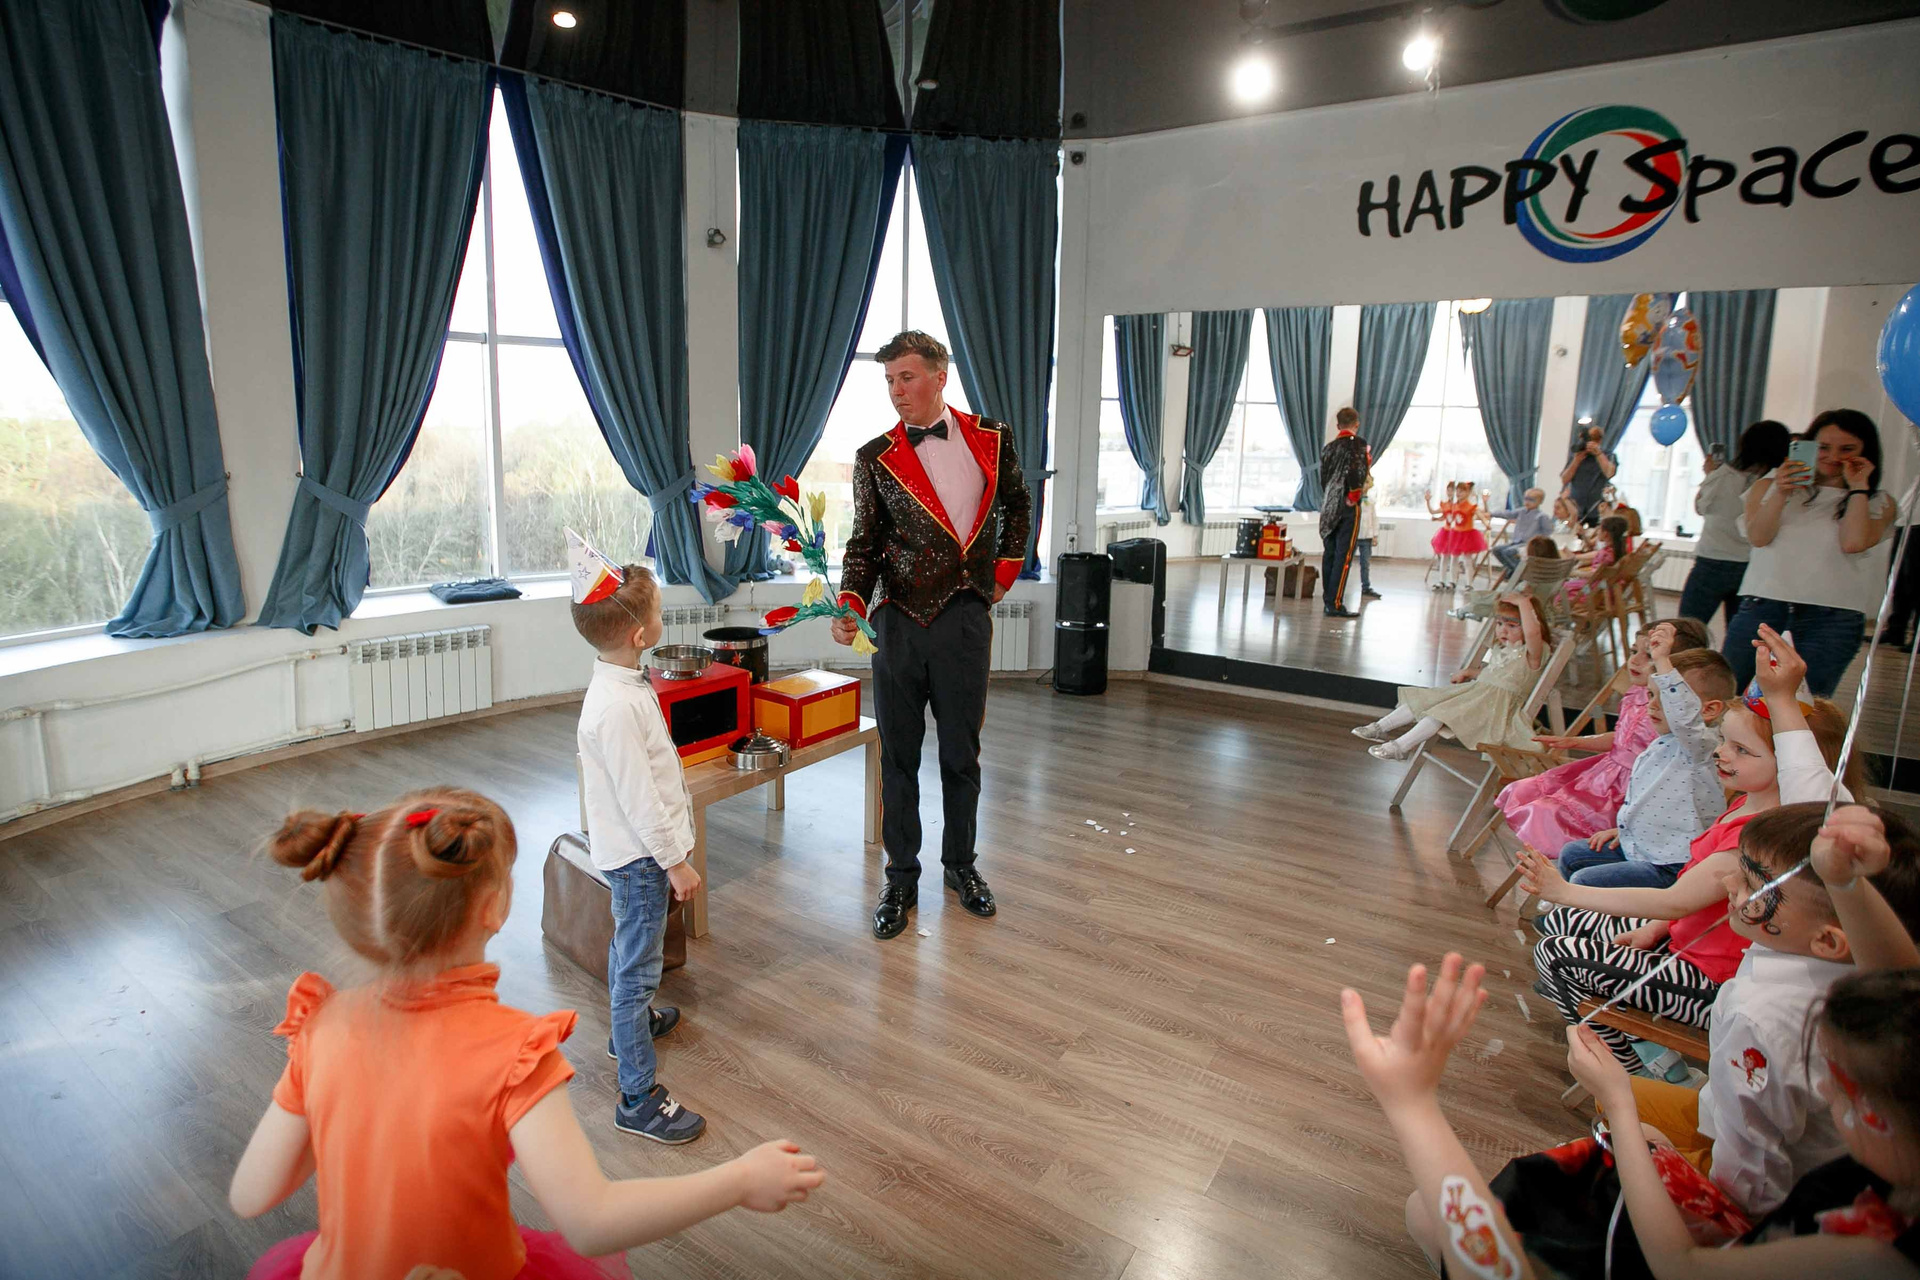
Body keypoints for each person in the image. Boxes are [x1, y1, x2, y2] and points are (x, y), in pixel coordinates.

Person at [230, 789, 825, 1280]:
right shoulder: (512, 1051)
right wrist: (739, 1180)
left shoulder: (321, 1025)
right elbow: (591, 1221)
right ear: (494, 908)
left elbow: (251, 1194)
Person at [1521, 627, 1860, 1076]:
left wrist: (1563, 890)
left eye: (1741, 750)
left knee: (1557, 954)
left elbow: (1676, 900)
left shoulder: (1762, 834)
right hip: (1683, 944)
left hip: (1709, 977)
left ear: (1791, 767)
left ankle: (1644, 1074)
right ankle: (1624, 1031)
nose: (1721, 753)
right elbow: (1682, 904)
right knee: (1562, 924)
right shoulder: (1745, 803)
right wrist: (1654, 929)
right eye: (1726, 742)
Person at [1569, 801, 1920, 1225]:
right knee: (1610, 1100)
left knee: (1598, 1143)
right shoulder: (1851, 963)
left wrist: (1659, 1153)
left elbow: (1749, 1182)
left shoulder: (1761, 1019)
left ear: (1827, 941)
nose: (1728, 881)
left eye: (1753, 883)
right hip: (1735, 1122)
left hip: (1753, 1193)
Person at [832, 331, 1031, 940]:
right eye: (889, 381)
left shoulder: (992, 438)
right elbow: (863, 544)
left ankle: (961, 865)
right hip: (896, 622)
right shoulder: (875, 457)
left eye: (907, 377)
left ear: (940, 377)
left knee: (960, 755)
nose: (896, 391)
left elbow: (1018, 506)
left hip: (965, 619)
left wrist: (1002, 574)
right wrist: (850, 603)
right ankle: (900, 876)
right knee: (898, 756)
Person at [571, 562, 707, 1144]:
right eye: (658, 612)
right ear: (639, 633)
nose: (661, 619)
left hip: (635, 856)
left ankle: (631, 1027)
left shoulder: (619, 683)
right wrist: (675, 861)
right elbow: (639, 800)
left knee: (631, 946)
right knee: (637, 968)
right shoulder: (619, 708)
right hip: (642, 860)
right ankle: (636, 1097)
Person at [1498, 617, 1713, 857]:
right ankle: (1555, 864)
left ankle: (1561, 866)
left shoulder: (1671, 714)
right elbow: (1623, 739)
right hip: (1603, 775)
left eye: (1650, 656)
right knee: (1526, 790)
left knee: (1549, 812)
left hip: (1631, 789)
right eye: (1633, 651)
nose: (1635, 660)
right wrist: (1577, 741)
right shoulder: (1635, 693)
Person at [1725, 409, 1900, 697]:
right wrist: (1781, 492)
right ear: (1806, 446)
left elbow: (1853, 543)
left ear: (1865, 452)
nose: (1833, 456)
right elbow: (1759, 537)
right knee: (1729, 696)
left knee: (1803, 707)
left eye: (1847, 449)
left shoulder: (1878, 501)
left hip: (1832, 618)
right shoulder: (1769, 486)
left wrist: (1858, 488)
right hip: (1763, 607)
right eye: (1823, 447)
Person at [1552, 638, 1736, 889]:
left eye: (1667, 698)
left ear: (1709, 710)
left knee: (1583, 881)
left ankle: (1579, 910)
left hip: (1673, 864)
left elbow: (1685, 721)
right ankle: (1575, 909)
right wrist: (1625, 831)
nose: (1653, 705)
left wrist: (1662, 660)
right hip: (1642, 847)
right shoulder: (1664, 742)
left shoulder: (1702, 746)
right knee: (1572, 855)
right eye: (1651, 694)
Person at [1352, 592, 1548, 761]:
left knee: (1440, 713)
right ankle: (1381, 727)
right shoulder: (1502, 650)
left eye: (1512, 626)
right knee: (1426, 699)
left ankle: (1400, 748)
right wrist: (1469, 672)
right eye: (1499, 624)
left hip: (1494, 707)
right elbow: (1495, 675)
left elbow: (1533, 633)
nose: (1503, 630)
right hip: (1476, 694)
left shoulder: (1532, 654)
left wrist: (1523, 602)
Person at [1679, 420, 1791, 628]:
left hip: (1712, 560)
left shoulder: (1723, 475)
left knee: (1688, 630)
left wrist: (1709, 474)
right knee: (1739, 633)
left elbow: (1701, 507)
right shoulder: (1780, 483)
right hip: (1753, 565)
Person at [1318, 406, 1371, 617]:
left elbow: (1323, 479)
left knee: (1329, 553)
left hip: (1329, 505)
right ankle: (1335, 602)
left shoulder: (1328, 448)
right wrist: (1354, 496)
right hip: (1348, 504)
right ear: (1357, 424)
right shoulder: (1359, 444)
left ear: (1338, 425)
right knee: (1344, 554)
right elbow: (1358, 471)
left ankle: (1328, 600)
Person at [1428, 482, 1489, 591]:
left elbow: (1481, 515)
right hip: (1455, 534)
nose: (1458, 493)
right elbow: (1446, 516)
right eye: (1458, 491)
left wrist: (1486, 523)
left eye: (1462, 491)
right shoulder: (1454, 506)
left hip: (1467, 535)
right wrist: (1431, 506)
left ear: (1468, 492)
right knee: (1453, 558)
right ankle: (1451, 581)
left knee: (1467, 560)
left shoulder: (1470, 507)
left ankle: (1469, 584)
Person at [1565, 515, 1631, 607]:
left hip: (1594, 592)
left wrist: (1574, 573)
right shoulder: (1617, 551)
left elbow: (1594, 574)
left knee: (1563, 588)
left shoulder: (1605, 554)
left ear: (1606, 534)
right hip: (1607, 591)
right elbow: (1596, 556)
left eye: (1599, 529)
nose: (1598, 532)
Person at [1491, 488, 1555, 580]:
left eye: (1531, 500)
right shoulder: (1521, 511)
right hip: (1517, 542)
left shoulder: (1541, 516)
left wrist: (1539, 543)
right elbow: (1507, 514)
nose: (1527, 502)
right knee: (1497, 550)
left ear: (1540, 501)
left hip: (1528, 544)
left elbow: (1548, 531)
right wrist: (1491, 514)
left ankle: (1521, 573)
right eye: (1526, 499)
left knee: (1509, 552)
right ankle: (1513, 569)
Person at [1561, 425, 1618, 525]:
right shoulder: (1577, 456)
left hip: (1598, 510)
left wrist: (1598, 454)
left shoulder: (1608, 455)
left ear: (1599, 441)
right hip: (1575, 510)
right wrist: (1576, 460)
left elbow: (1609, 473)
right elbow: (1564, 480)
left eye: (1593, 440)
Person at [1355, 475, 1382, 600]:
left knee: (1365, 563)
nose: (1365, 486)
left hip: (1366, 537)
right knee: (1346, 563)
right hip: (1354, 536)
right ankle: (1340, 586)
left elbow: (1374, 518)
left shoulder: (1370, 501)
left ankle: (1366, 586)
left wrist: (1375, 535)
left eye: (1367, 483)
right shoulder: (1354, 500)